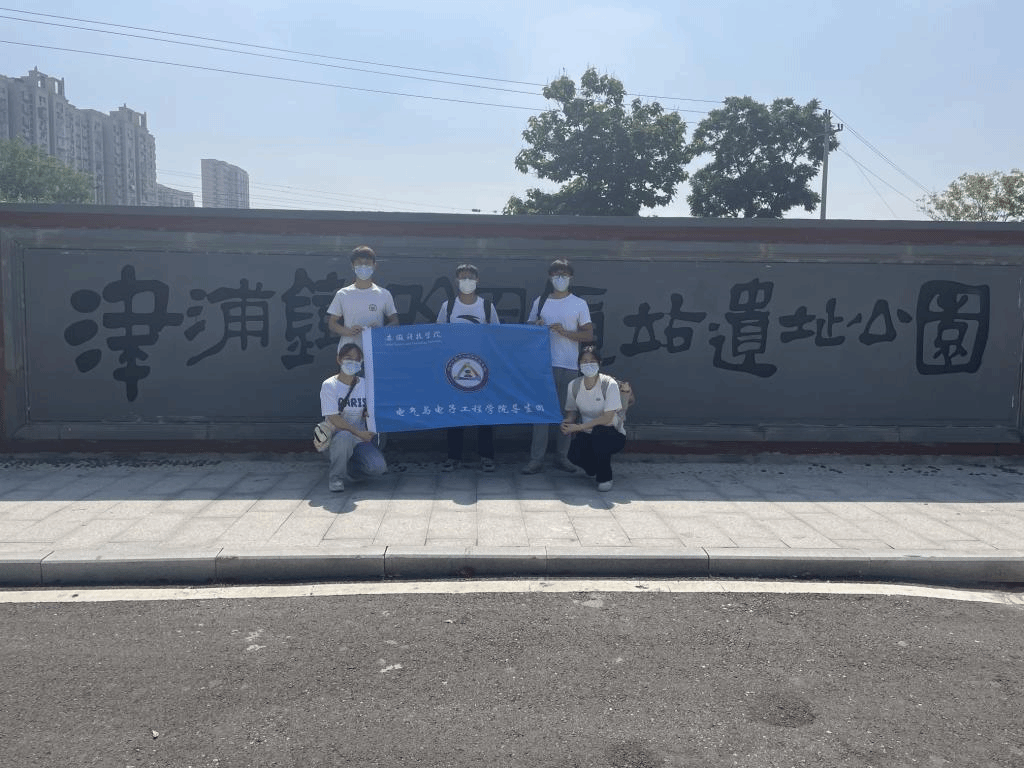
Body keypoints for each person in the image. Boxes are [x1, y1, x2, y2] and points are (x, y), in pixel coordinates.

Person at [522, 259, 595, 474]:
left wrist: (565, 332)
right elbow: (527, 328)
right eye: (556, 274)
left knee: (567, 413)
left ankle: (563, 457)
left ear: (570, 277)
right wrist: (535, 326)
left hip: (569, 365)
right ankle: (536, 459)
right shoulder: (541, 302)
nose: (560, 278)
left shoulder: (579, 303)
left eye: (564, 274)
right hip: (543, 365)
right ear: (550, 277)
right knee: (541, 414)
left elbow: (588, 334)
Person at [436, 263, 501, 472]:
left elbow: (497, 336)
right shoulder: (448, 306)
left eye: (470, 277)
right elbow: (439, 335)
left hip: (482, 368)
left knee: (484, 412)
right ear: (457, 281)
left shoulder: (487, 306)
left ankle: (487, 456)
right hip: (454, 368)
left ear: (477, 280)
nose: (467, 281)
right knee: (455, 411)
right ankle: (453, 456)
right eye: (463, 277)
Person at [561, 345, 635, 491]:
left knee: (600, 434)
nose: (588, 364)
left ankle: (605, 478)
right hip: (587, 433)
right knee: (573, 454)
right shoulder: (574, 385)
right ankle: (595, 467)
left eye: (592, 361)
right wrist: (567, 423)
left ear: (599, 363)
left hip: (611, 433)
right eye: (584, 361)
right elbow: (571, 411)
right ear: (579, 365)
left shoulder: (609, 384)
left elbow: (607, 418)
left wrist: (579, 427)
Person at [319, 343, 388, 492]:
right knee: (345, 436)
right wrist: (358, 433)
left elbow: (372, 408)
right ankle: (336, 478)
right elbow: (334, 418)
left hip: (359, 439)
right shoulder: (329, 385)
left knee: (378, 467)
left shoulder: (365, 384)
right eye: (348, 358)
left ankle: (348, 470)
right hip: (337, 437)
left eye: (357, 359)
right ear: (339, 359)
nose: (353, 362)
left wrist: (368, 412)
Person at [327, 245, 399, 352]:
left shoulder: (384, 294)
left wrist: (380, 331)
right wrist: (347, 331)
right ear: (352, 266)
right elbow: (332, 323)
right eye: (359, 263)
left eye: (367, 263)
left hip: (376, 351)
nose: (363, 266)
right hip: (349, 353)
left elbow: (395, 321)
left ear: (374, 265)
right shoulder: (343, 294)